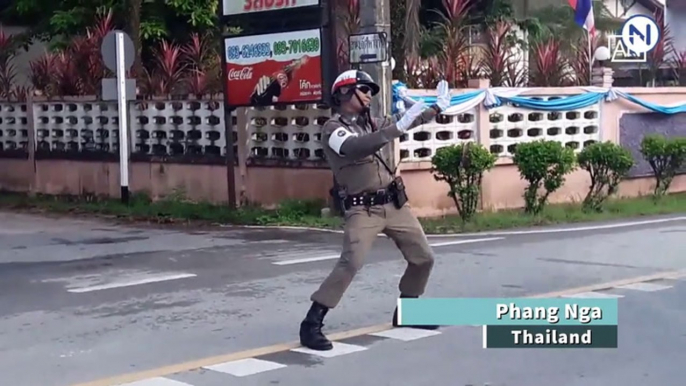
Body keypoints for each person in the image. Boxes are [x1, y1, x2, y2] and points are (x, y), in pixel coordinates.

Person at [298, 69, 451, 351]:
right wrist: (397, 126)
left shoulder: (371, 123)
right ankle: (312, 323)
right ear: (345, 92)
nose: (369, 94)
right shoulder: (333, 129)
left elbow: (403, 122)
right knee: (351, 263)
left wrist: (435, 109)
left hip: (393, 203)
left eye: (370, 90)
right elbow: (356, 147)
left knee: (423, 257)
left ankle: (408, 313)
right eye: (363, 89)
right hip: (362, 209)